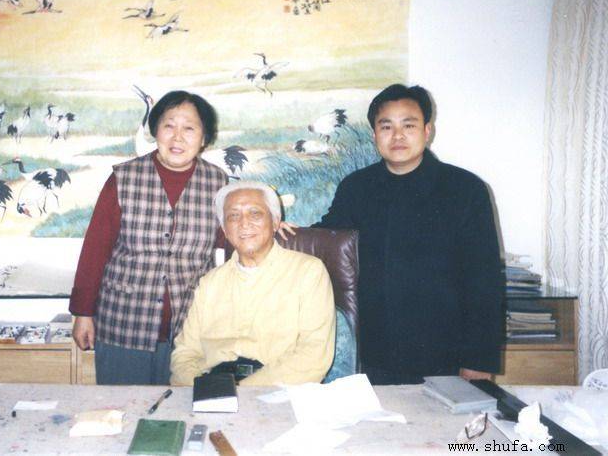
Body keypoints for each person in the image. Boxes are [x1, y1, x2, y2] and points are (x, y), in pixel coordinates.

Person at [314, 84, 503, 385]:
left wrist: (478, 361)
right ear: (374, 135)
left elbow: (484, 281)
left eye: (409, 125)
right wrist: (280, 230)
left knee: (453, 420)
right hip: (376, 355)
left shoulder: (465, 190)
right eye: (386, 126)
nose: (398, 136)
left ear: (427, 131)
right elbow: (325, 238)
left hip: (448, 356)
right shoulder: (357, 188)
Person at [68, 90, 227, 385]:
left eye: (189, 128)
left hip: (190, 330)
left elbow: (233, 238)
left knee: (181, 408)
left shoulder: (218, 183)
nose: (177, 137)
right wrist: (83, 312)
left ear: (204, 138)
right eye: (169, 126)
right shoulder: (124, 178)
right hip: (123, 326)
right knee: (123, 408)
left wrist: (269, 224)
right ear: (155, 131)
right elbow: (95, 250)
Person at [170, 181, 335, 387]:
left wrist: (238, 391)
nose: (244, 223)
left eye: (255, 213)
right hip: (212, 385)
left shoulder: (308, 272)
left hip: (277, 388)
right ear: (225, 229)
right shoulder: (210, 282)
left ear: (275, 222)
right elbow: (185, 353)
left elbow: (313, 356)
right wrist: (202, 390)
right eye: (233, 216)